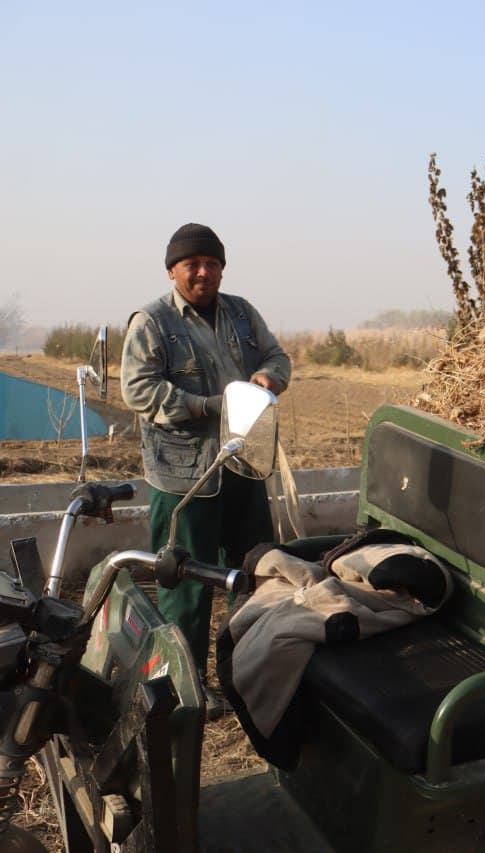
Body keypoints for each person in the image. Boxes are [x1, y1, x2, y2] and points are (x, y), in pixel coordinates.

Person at [122, 223, 291, 718]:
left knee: (254, 572)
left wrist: (269, 377)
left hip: (244, 465)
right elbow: (139, 389)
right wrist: (206, 406)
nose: (202, 273)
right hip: (185, 478)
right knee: (185, 584)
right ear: (171, 271)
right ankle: (184, 687)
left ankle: (249, 674)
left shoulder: (242, 313)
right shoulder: (152, 322)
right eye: (191, 264)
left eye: (212, 264)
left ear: (222, 268)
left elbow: (277, 356)